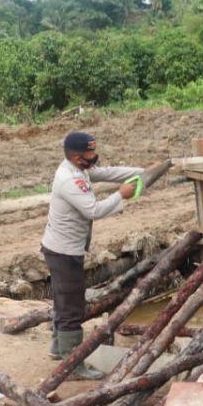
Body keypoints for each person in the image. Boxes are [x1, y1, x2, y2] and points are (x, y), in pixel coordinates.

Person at [41, 132, 145, 379]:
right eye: (90, 154)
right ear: (77, 158)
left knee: (64, 300)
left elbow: (108, 172)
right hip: (64, 252)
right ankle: (72, 364)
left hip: (63, 248)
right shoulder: (69, 180)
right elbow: (93, 210)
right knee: (72, 306)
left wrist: (142, 171)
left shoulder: (79, 170)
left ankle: (58, 348)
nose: (94, 158)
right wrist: (122, 195)